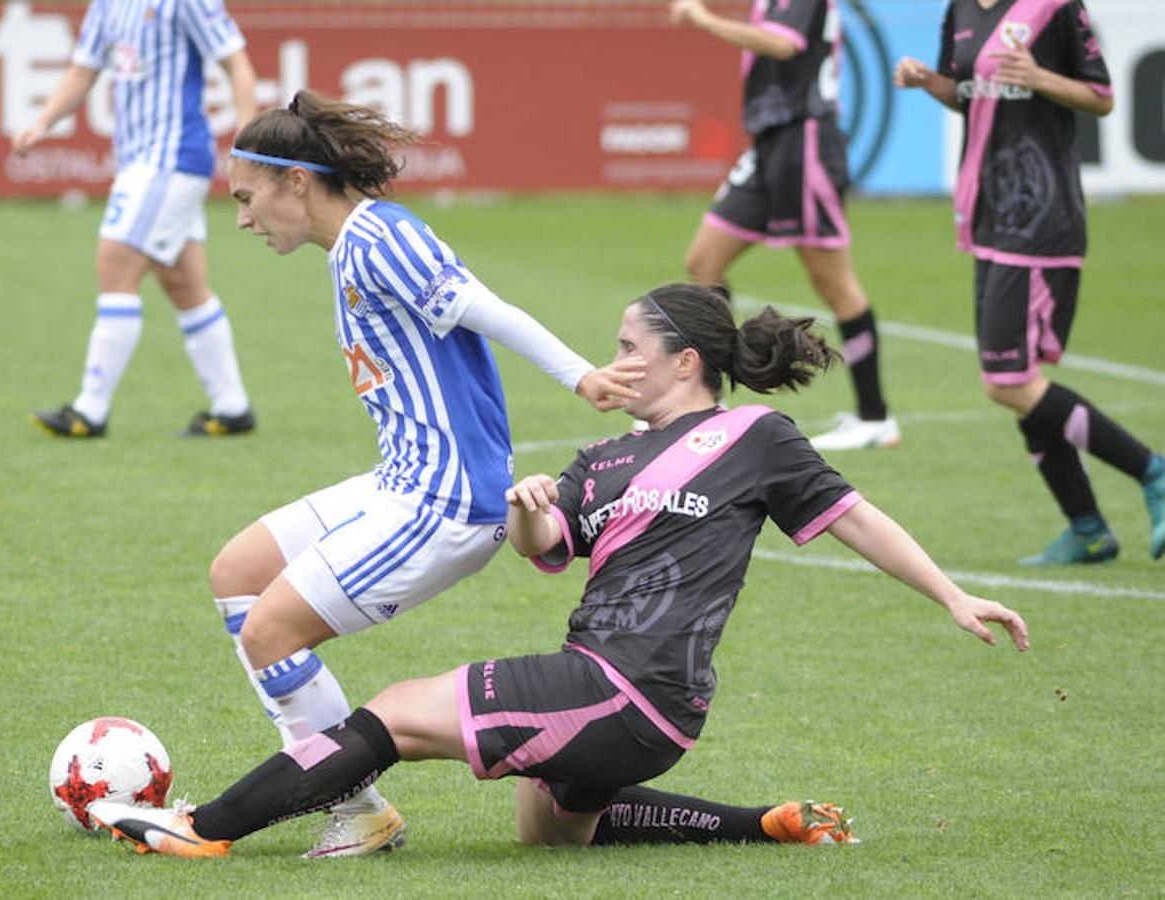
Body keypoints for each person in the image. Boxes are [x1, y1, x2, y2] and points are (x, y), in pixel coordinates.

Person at [87, 283, 1030, 858]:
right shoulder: (604, 458)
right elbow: (546, 552)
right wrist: (532, 510)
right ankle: (769, 823)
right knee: (550, 831)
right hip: (626, 701)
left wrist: (950, 593)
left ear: (686, 361)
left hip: (628, 687)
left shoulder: (754, 436)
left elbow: (854, 517)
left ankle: (204, 827)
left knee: (398, 710)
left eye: (628, 348)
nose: (614, 363)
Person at [200, 91, 645, 858]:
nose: (241, 218)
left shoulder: (376, 236)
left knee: (270, 630)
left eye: (246, 197)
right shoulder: (355, 246)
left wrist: (581, 377)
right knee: (237, 571)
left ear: (295, 182)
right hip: (402, 478)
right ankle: (355, 799)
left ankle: (356, 807)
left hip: (444, 500)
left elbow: (486, 309)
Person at [894, 1, 1165, 564]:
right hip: (989, 215)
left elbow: (1103, 97)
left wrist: (1040, 77)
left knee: (1008, 381)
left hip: (1041, 218)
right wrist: (928, 82)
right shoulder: (962, 9)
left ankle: (1152, 471)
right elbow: (966, 96)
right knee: (1020, 383)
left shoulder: (1056, 7)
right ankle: (1088, 528)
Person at [16, 0, 259, 439]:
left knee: (115, 260)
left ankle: (89, 411)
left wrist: (244, 136)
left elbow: (236, 62)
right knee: (183, 284)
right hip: (138, 160)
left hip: (172, 157)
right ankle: (233, 407)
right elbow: (82, 69)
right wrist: (43, 122)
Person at [667, 0, 899, 451]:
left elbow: (781, 44)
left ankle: (876, 417)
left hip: (806, 141)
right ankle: (709, 402)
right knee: (703, 260)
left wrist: (705, 18)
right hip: (770, 143)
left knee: (834, 283)